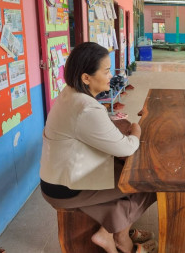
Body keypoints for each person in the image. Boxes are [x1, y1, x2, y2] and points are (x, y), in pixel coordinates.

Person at [39, 42, 156, 253]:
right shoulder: (86, 108)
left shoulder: (70, 94)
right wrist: (136, 130)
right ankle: (117, 234)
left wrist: (111, 124)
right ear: (86, 78)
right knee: (146, 181)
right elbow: (127, 148)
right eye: (106, 70)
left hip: (55, 179)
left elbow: (85, 129)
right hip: (68, 187)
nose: (111, 76)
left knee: (126, 173)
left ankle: (111, 232)